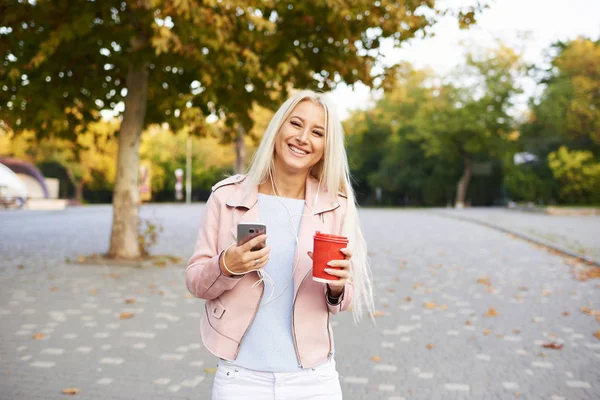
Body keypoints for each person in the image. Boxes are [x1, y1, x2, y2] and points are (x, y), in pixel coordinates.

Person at [185, 90, 374, 399]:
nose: (302, 137)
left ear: (326, 147)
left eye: (317, 132)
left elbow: (343, 299)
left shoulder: (335, 206)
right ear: (277, 128)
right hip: (240, 378)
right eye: (295, 124)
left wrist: (338, 287)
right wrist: (226, 266)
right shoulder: (227, 197)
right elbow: (196, 282)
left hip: (314, 381)